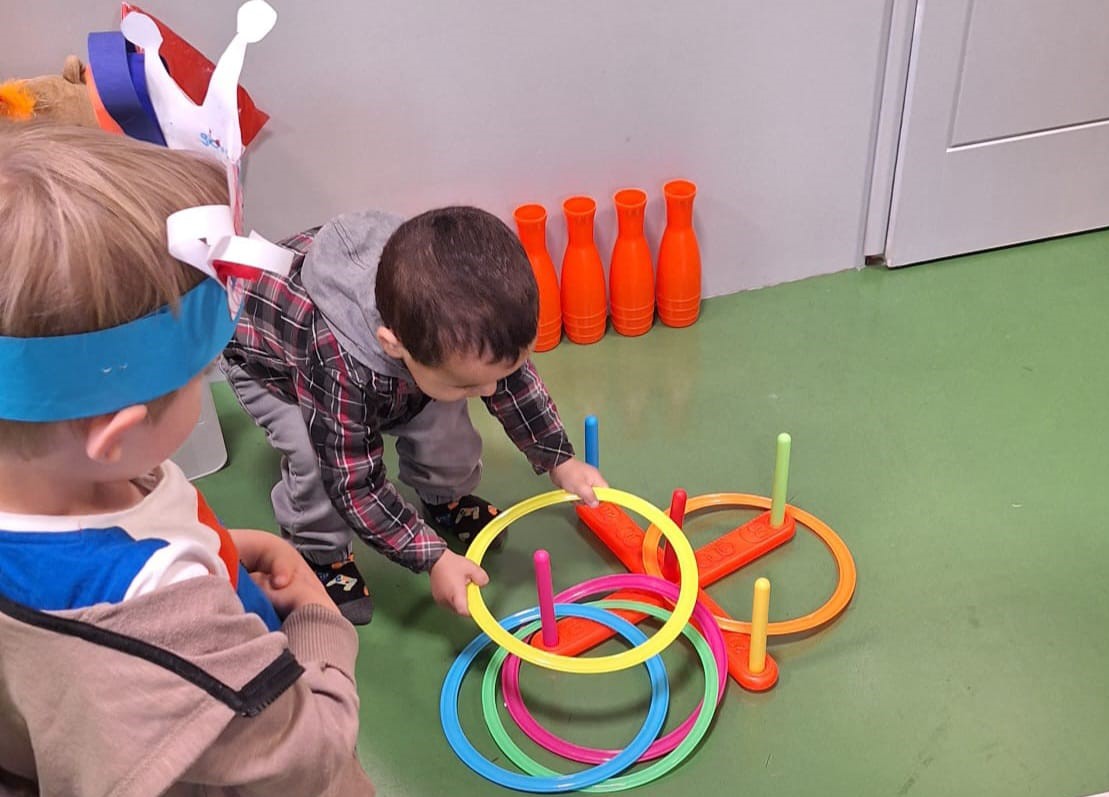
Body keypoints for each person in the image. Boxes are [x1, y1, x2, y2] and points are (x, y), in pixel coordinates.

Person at [0, 123, 374, 796]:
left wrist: (219, 546)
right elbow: (305, 752)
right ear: (116, 435)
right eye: (197, 376)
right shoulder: (165, 623)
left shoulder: (62, 479)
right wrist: (319, 623)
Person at [223, 206, 607, 623]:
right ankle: (321, 555)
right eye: (467, 382)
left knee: (444, 421)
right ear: (394, 345)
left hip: (391, 370)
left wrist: (558, 458)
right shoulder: (334, 363)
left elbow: (508, 379)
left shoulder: (462, 331)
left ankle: (444, 500)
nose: (491, 392)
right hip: (272, 370)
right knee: (315, 461)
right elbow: (353, 483)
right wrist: (433, 558)